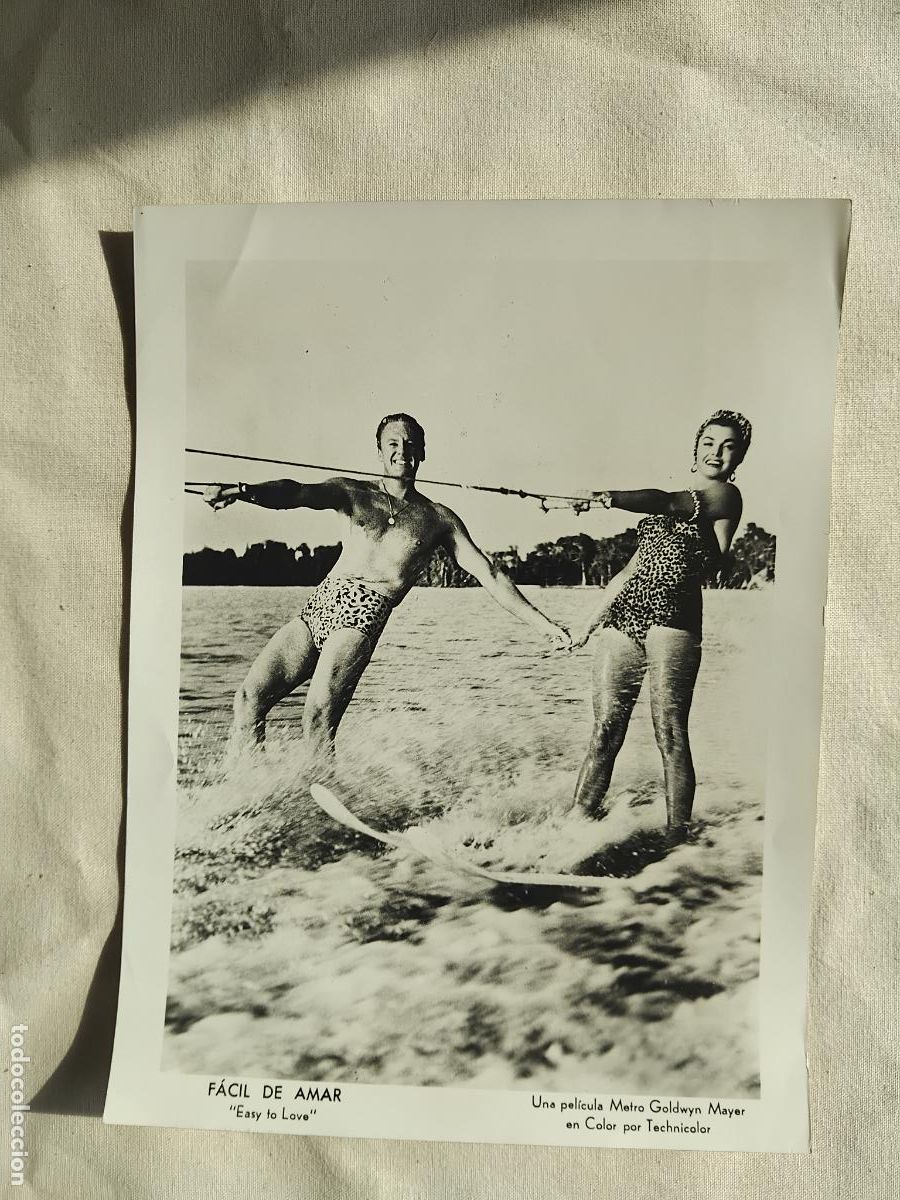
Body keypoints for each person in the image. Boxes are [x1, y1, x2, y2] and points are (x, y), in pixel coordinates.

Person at [203, 413, 571, 768]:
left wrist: (544, 625)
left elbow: (490, 574)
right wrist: (242, 491)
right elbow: (296, 492)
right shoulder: (351, 493)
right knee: (250, 698)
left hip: (364, 613)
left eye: (410, 444)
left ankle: (322, 793)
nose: (402, 451)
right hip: (322, 600)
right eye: (392, 443)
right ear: (379, 451)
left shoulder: (438, 519)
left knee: (317, 716)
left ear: (422, 452)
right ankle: (251, 784)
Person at [568, 410, 752, 839]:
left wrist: (605, 496)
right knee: (605, 732)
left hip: (674, 619)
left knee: (669, 734)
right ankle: (574, 827)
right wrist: (588, 624)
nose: (716, 453)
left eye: (728, 447)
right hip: (625, 615)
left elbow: (668, 502)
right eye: (709, 443)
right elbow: (628, 571)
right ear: (696, 449)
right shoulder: (673, 501)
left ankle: (676, 840)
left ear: (739, 458)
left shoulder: (726, 497)